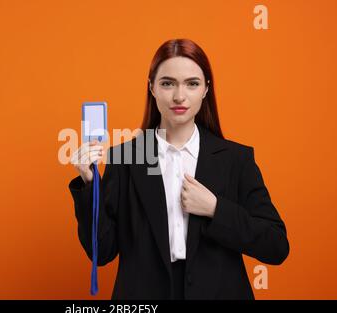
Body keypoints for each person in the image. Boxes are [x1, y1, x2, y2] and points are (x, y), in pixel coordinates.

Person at [68, 38, 289, 299]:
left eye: (192, 84)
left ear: (206, 89)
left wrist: (215, 209)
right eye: (167, 83)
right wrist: (90, 184)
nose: (179, 96)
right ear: (151, 87)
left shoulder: (235, 159)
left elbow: (275, 246)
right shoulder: (126, 157)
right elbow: (102, 252)